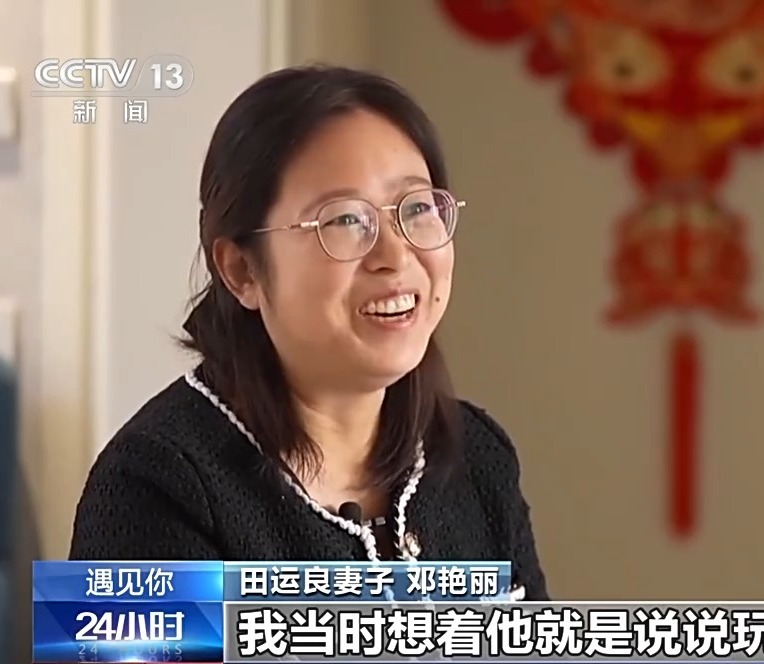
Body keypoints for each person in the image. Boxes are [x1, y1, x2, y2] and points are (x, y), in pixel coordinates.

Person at [68, 66, 548, 600]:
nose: (396, 256)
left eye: (417, 208)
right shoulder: (152, 484)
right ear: (242, 271)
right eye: (344, 220)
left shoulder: (475, 454)